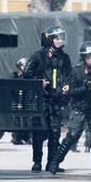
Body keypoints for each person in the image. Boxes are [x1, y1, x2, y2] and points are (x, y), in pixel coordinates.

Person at [48, 41, 91, 175]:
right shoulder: (76, 72)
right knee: (73, 135)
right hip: (79, 107)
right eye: (88, 56)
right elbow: (70, 91)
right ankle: (55, 162)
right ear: (83, 58)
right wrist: (83, 88)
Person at [23, 25, 72, 173]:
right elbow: (27, 73)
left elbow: (69, 75)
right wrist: (39, 82)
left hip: (56, 100)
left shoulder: (65, 58)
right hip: (41, 99)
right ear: (50, 39)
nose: (60, 40)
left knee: (55, 132)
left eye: (62, 38)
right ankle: (37, 161)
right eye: (57, 38)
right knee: (39, 131)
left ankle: (51, 163)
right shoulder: (39, 55)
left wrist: (67, 86)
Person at [10, 58, 31, 146]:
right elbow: (12, 90)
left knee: (27, 119)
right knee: (16, 120)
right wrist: (18, 102)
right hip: (15, 100)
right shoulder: (14, 76)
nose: (25, 67)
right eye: (23, 66)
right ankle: (16, 137)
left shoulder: (28, 76)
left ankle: (27, 137)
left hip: (26, 100)